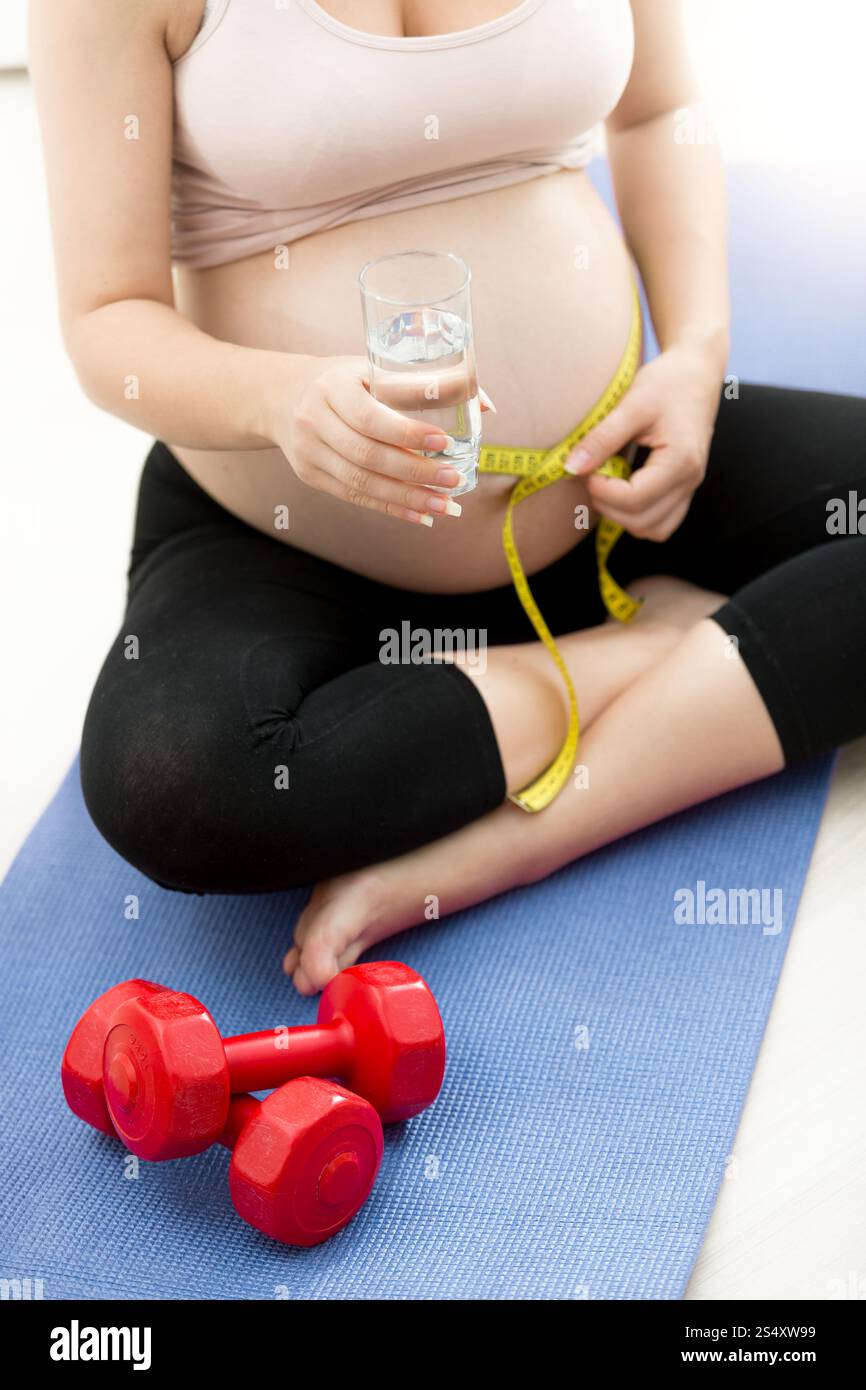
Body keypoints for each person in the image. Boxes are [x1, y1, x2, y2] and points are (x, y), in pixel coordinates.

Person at [29, 0, 866, 994]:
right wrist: (283, 398)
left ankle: (520, 835)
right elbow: (106, 317)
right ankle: (665, 646)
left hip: (611, 484)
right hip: (290, 531)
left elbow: (655, 111)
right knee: (178, 785)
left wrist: (693, 351)